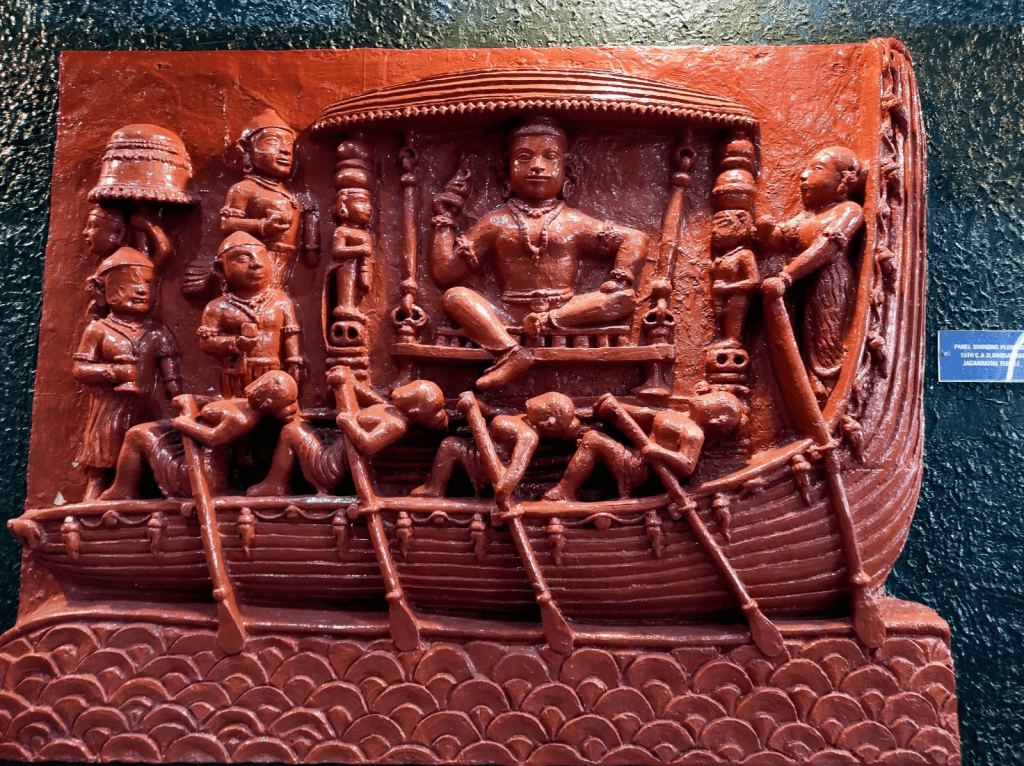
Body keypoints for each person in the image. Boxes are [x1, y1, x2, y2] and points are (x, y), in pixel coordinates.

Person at [429, 116, 649, 390]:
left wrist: (621, 278)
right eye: (524, 158)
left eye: (550, 158)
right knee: (455, 297)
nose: (537, 166)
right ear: (506, 169)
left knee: (623, 298)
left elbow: (635, 238)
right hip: (507, 315)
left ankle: (546, 321)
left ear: (566, 169)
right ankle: (510, 352)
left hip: (566, 311)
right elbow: (445, 274)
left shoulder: (573, 222)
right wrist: (445, 220)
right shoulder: (496, 223)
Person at [759, 146, 866, 402]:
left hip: (829, 282)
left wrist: (787, 275)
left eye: (816, 169)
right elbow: (781, 238)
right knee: (802, 335)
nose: (804, 175)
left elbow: (826, 248)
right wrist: (766, 231)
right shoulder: (807, 216)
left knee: (825, 333)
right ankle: (810, 383)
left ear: (843, 180)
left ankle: (827, 383)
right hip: (801, 283)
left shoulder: (848, 210)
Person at [73, 248, 181, 499]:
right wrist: (113, 372)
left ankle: (141, 492)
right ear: (103, 291)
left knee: (144, 447)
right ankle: (95, 491)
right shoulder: (99, 330)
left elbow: (171, 372)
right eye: (129, 284)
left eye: (148, 284)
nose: (142, 290)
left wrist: (176, 392)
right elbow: (80, 369)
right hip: (109, 408)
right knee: (103, 448)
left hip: (146, 406)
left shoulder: (157, 332)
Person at [248, 366, 449, 497]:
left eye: (413, 392)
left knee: (290, 431)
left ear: (414, 411)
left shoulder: (397, 424)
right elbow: (373, 400)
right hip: (330, 450)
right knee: (299, 424)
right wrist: (351, 382)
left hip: (330, 468)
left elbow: (368, 445)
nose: (405, 389)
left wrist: (348, 423)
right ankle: (276, 483)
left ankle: (275, 485)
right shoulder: (393, 410)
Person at [100, 370, 302, 500]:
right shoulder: (245, 404)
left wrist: (184, 423)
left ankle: (123, 490)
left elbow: (212, 437)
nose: (257, 384)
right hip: (192, 449)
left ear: (266, 402)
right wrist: (193, 399)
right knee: (144, 431)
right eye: (264, 380)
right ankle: (123, 488)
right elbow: (215, 405)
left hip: (201, 473)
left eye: (264, 386)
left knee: (137, 434)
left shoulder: (243, 419)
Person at [541, 390, 744, 502]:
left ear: (717, 419)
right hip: (637, 457)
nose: (707, 393)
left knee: (593, 439)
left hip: (643, 471)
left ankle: (564, 492)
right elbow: (647, 415)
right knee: (591, 436)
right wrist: (618, 408)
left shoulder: (694, 433)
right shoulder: (679, 416)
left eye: (713, 399)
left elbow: (687, 465)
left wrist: (659, 452)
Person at [412, 390, 580, 507]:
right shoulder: (523, 418)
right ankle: (433, 488)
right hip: (480, 454)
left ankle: (433, 490)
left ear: (548, 422)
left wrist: (502, 494)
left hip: (486, 468)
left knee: (450, 445)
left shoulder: (528, 437)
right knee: (451, 445)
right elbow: (492, 412)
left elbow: (509, 479)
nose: (538, 400)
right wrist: (477, 406)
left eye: (545, 403)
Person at [219, 109, 319, 288]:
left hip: (288, 263)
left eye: (289, 145)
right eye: (272, 141)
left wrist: (310, 219)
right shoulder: (244, 189)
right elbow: (227, 224)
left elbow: (311, 256)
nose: (285, 151)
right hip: (258, 263)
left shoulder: (292, 195)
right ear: (246, 148)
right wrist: (263, 226)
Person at [198, 232, 305, 398]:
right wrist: (235, 343)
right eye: (243, 259)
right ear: (220, 268)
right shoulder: (217, 307)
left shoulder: (281, 302)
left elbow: (290, 335)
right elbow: (206, 343)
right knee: (236, 408)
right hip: (236, 375)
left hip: (273, 375)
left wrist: (294, 364)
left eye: (262, 257)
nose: (256, 264)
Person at [709, 209, 760, 348]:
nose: (714, 231)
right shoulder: (722, 258)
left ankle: (734, 338)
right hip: (719, 302)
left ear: (741, 228)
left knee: (737, 298)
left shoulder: (744, 255)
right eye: (713, 226)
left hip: (736, 299)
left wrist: (727, 288)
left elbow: (755, 281)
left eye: (722, 225)